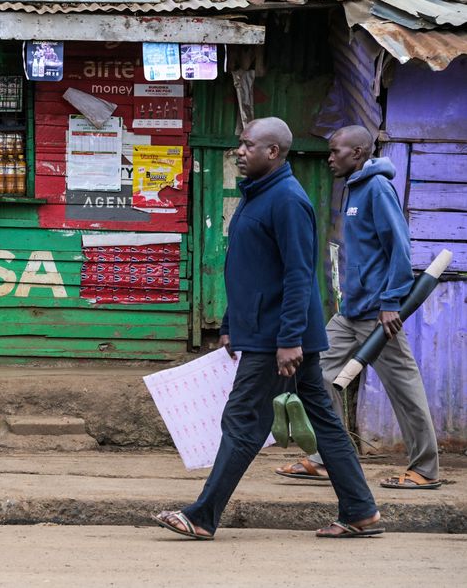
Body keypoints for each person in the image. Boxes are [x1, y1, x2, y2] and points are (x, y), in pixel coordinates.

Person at [153, 117, 382, 540]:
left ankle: (203, 515)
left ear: (273, 151)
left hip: (277, 337)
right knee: (324, 421)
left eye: (247, 145)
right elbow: (248, 269)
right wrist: (229, 324)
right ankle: (361, 511)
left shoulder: (287, 200)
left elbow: (298, 274)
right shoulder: (257, 195)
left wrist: (290, 339)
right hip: (265, 332)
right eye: (240, 144)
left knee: (242, 420)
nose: (239, 151)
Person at [275, 125, 441, 489]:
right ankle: (326, 458)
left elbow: (399, 246)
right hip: (351, 312)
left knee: (404, 389)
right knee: (316, 374)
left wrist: (391, 301)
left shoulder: (377, 188)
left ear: (359, 153)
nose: (330, 158)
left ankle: (425, 469)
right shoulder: (353, 188)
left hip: (379, 315)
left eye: (336, 151)